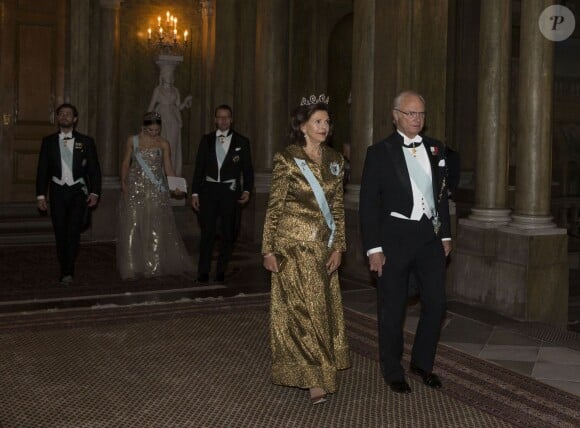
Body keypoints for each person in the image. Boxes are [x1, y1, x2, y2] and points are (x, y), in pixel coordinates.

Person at [359, 90, 452, 394]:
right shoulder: (379, 152)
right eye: (410, 113)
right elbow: (369, 204)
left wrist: (446, 235)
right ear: (395, 115)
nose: (417, 119)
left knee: (437, 303)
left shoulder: (436, 148)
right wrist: (373, 248)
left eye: (421, 114)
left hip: (430, 239)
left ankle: (422, 364)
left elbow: (441, 198)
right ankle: (392, 368)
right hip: (394, 240)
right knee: (393, 308)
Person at [262, 95, 350, 405]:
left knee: (321, 310)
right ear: (302, 127)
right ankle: (315, 379)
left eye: (327, 122)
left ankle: (318, 367)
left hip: (322, 247)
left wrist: (339, 246)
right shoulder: (287, 158)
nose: (324, 126)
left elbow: (337, 207)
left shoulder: (336, 160)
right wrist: (268, 249)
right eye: (318, 122)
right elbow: (274, 206)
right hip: (292, 247)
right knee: (301, 312)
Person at [116, 112, 194, 280]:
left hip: (156, 189)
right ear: (143, 127)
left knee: (155, 227)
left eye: (156, 130)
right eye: (150, 130)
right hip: (135, 188)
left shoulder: (163, 143)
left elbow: (168, 168)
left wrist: (176, 187)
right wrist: (123, 182)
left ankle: (153, 266)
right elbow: (125, 162)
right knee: (132, 226)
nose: (153, 133)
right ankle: (130, 266)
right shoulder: (133, 140)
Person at [36, 103, 102, 285]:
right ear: (57, 118)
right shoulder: (48, 142)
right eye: (61, 114)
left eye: (68, 114)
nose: (64, 116)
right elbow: (42, 170)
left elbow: (94, 170)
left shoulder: (86, 142)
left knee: (73, 231)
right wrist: (41, 196)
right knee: (60, 231)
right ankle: (64, 263)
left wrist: (95, 192)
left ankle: (67, 270)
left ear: (75, 119)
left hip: (77, 192)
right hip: (57, 191)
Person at [191, 105, 254, 284]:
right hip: (208, 192)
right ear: (215, 119)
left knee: (228, 234)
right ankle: (203, 272)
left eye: (227, 117)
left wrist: (247, 190)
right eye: (220, 117)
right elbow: (199, 169)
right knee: (207, 234)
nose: (223, 120)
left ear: (231, 119)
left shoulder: (242, 142)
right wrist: (195, 193)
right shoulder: (207, 140)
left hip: (230, 193)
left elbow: (248, 170)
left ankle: (220, 272)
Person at [147, 65, 192, 176]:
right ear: (162, 76)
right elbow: (151, 106)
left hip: (173, 120)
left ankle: (172, 173)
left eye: (171, 74)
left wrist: (186, 102)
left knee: (172, 146)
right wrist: (147, 123)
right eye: (167, 73)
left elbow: (178, 107)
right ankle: (160, 173)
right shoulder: (158, 90)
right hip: (161, 119)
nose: (169, 76)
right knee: (160, 145)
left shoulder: (175, 90)